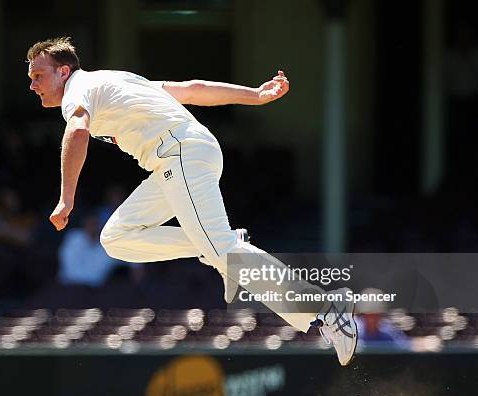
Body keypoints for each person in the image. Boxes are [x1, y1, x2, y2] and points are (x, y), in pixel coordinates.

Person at [26, 37, 358, 365]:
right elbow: (192, 89)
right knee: (116, 239)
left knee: (221, 250)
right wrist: (254, 95)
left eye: (38, 76)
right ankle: (220, 244)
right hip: (183, 156)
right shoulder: (114, 79)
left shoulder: (77, 92)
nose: (32, 85)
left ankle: (327, 307)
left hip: (179, 154)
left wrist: (66, 199)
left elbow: (78, 131)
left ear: (64, 71)